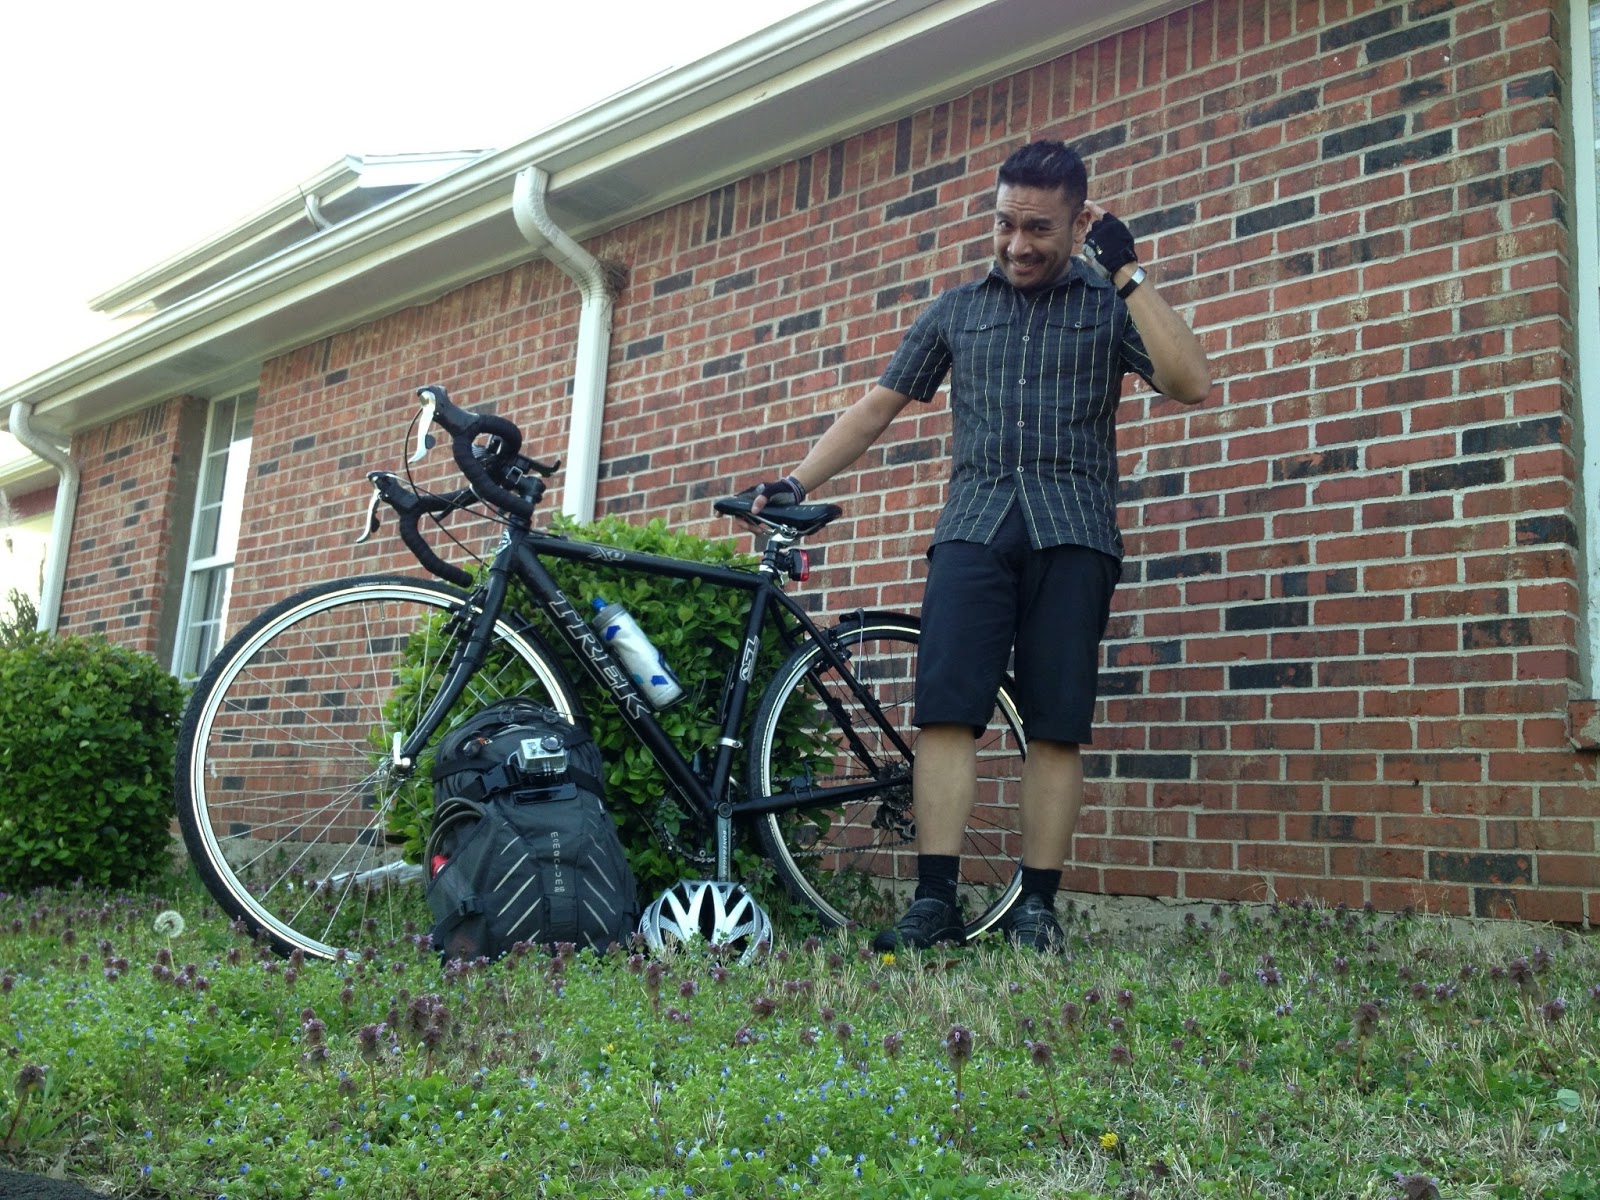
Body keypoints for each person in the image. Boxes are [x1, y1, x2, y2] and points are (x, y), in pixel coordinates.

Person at [744, 139, 1211, 952]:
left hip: (1075, 532)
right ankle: (934, 904)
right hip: (973, 531)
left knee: (1055, 725)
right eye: (1004, 224)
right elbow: (877, 405)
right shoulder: (958, 310)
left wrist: (1129, 273)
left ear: (1080, 224)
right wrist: (795, 481)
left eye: (1039, 228)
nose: (1017, 244)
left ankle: (1036, 910)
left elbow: (1189, 381)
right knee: (946, 714)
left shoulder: (1109, 307)